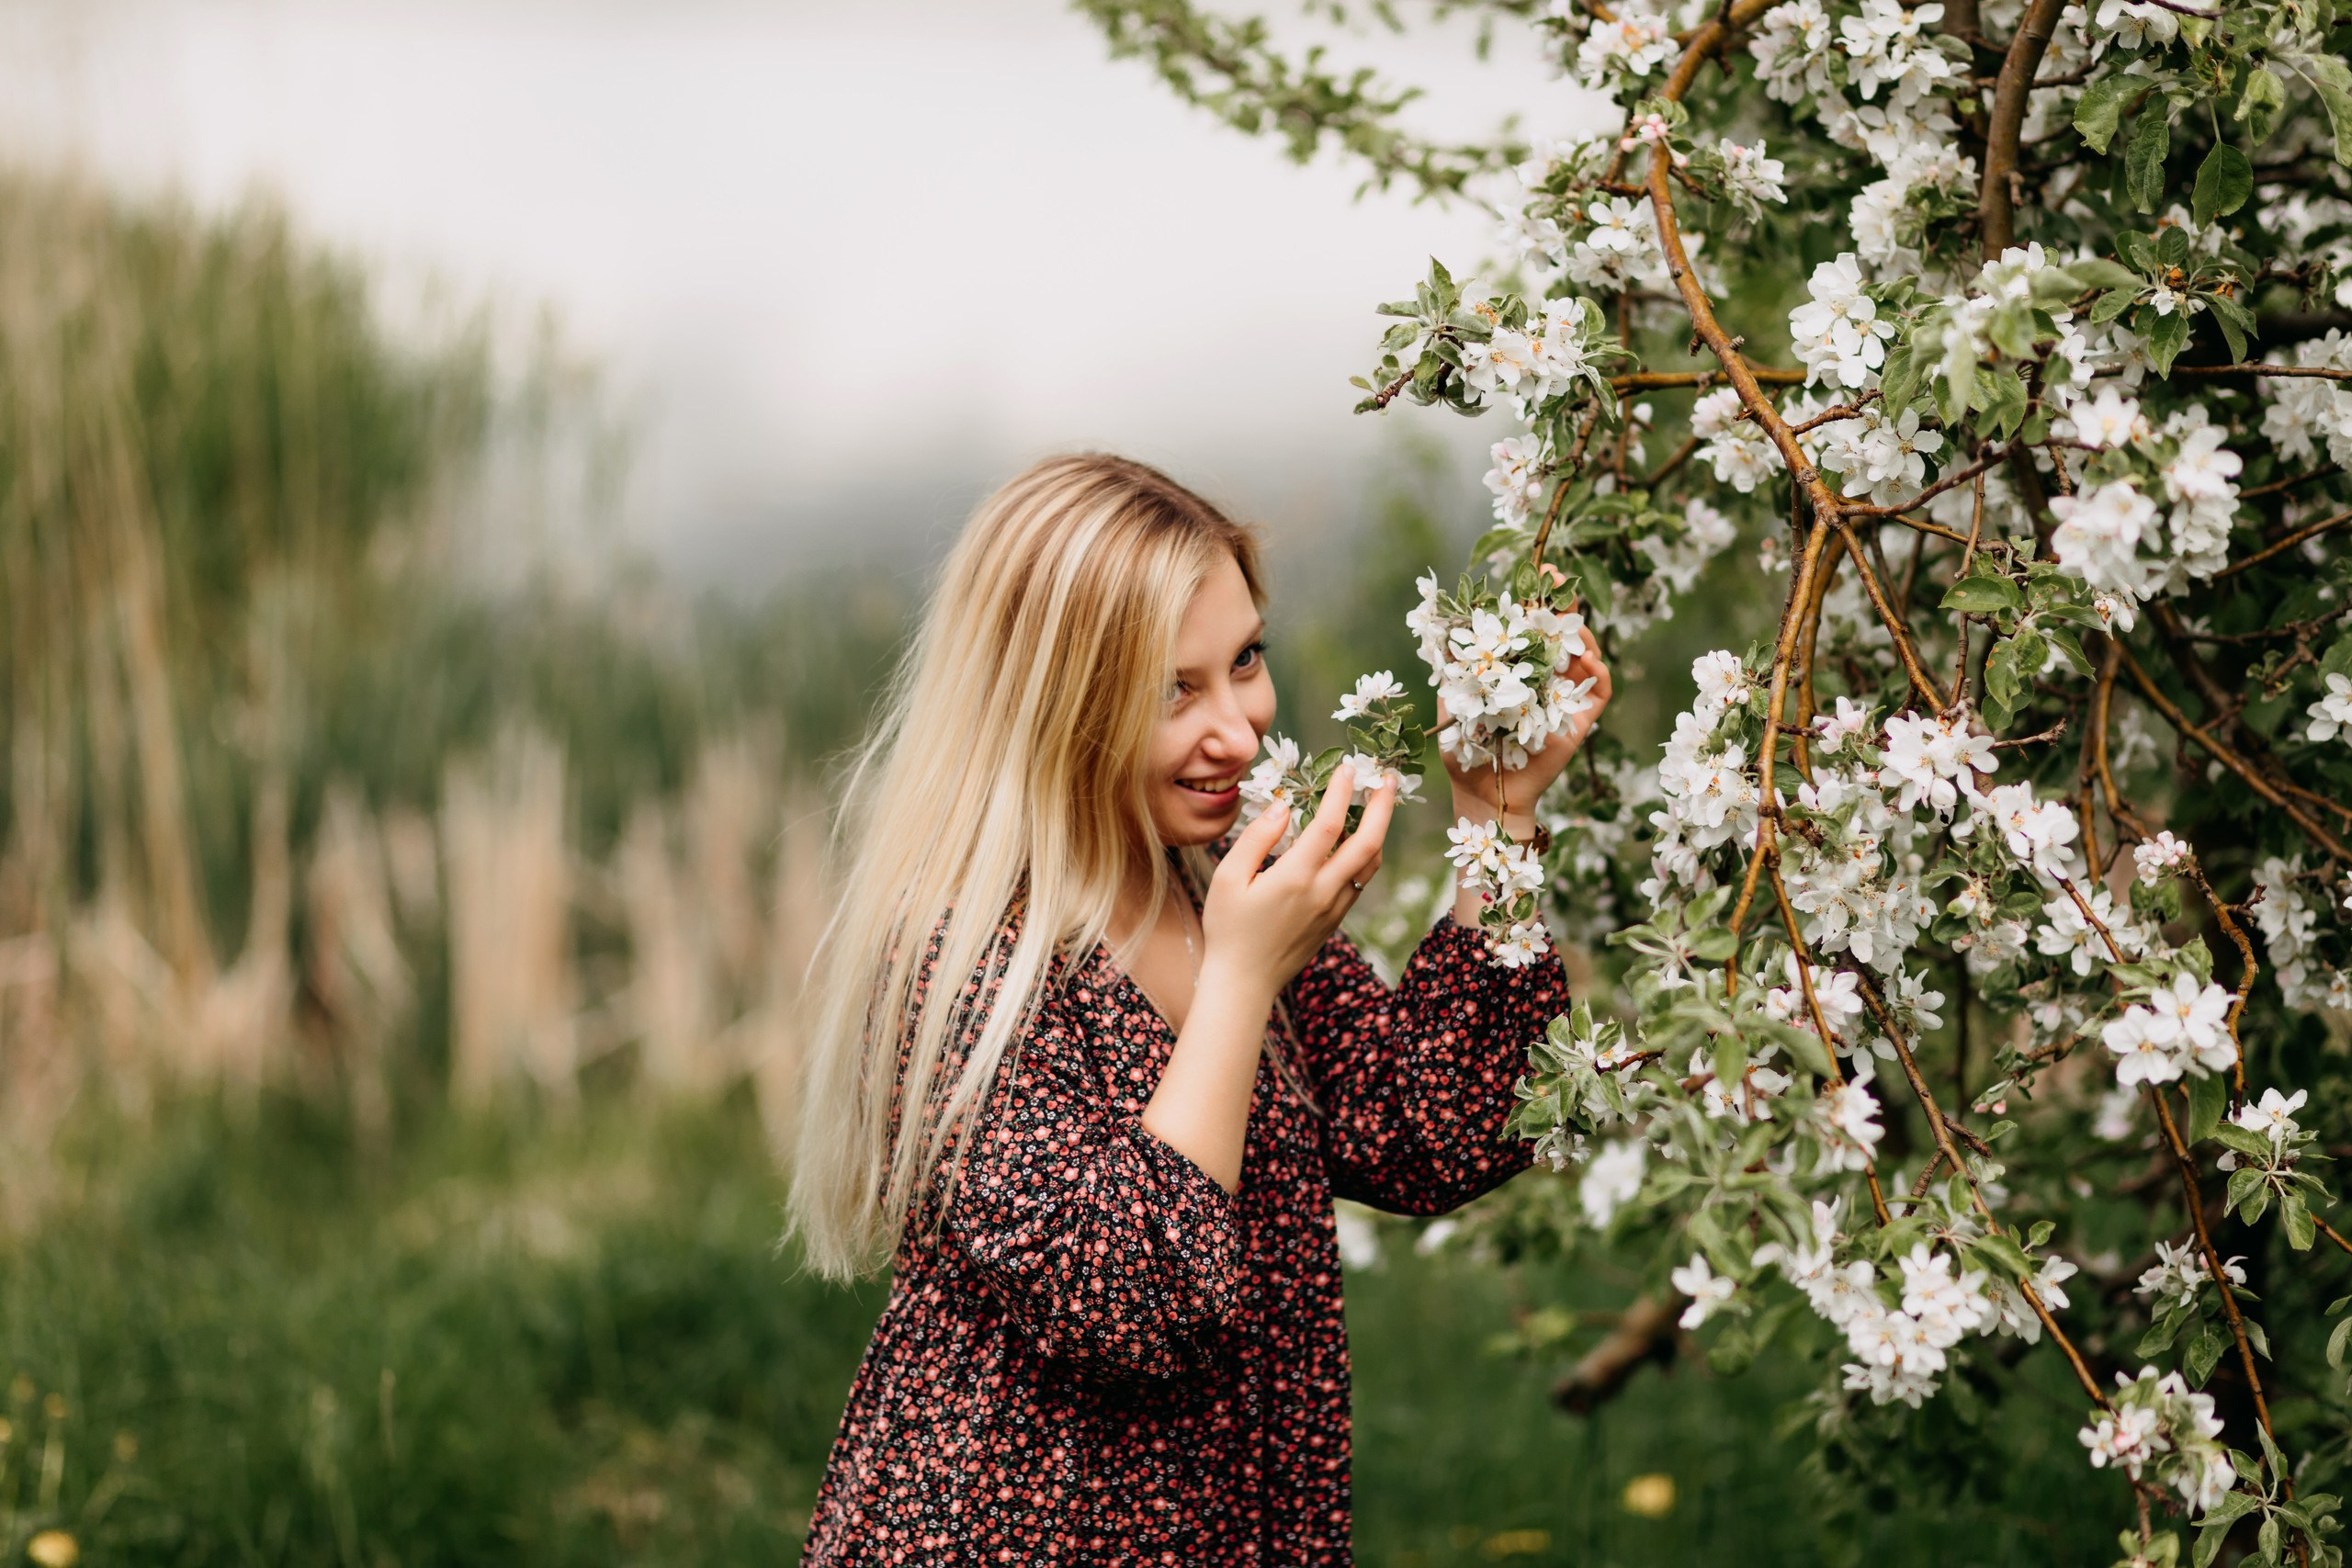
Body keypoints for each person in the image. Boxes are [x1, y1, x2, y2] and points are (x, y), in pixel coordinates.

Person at [789, 453, 1611, 1564]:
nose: (1238, 729)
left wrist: (1494, 815)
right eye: (1174, 690)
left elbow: (1433, 1130)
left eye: (1245, 662)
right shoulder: (965, 958)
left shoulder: (1209, 875)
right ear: (1055, 703)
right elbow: (1138, 1302)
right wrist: (1238, 981)